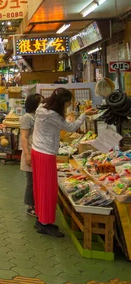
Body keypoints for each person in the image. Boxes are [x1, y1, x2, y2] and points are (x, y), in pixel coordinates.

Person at [32, 88, 97, 237]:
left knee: (40, 188)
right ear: (62, 102)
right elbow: (71, 127)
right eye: (68, 103)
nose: (68, 106)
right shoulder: (52, 114)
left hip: (38, 150)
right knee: (48, 190)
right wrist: (84, 115)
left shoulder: (43, 107)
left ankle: (41, 218)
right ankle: (45, 223)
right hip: (45, 153)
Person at [20, 94, 43, 218]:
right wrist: (27, 154)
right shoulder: (27, 117)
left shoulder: (39, 116)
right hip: (30, 152)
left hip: (38, 151)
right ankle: (30, 206)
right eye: (41, 102)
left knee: (36, 180)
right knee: (31, 180)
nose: (43, 104)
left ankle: (37, 204)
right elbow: (24, 137)